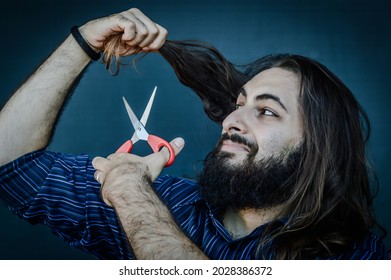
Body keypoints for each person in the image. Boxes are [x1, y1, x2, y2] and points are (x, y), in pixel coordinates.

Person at [0, 7, 387, 260]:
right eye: (239, 103)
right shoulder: (170, 200)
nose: (232, 120)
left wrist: (131, 194)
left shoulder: (352, 256)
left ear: (319, 148)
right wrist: (81, 43)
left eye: (266, 111)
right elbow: (9, 162)